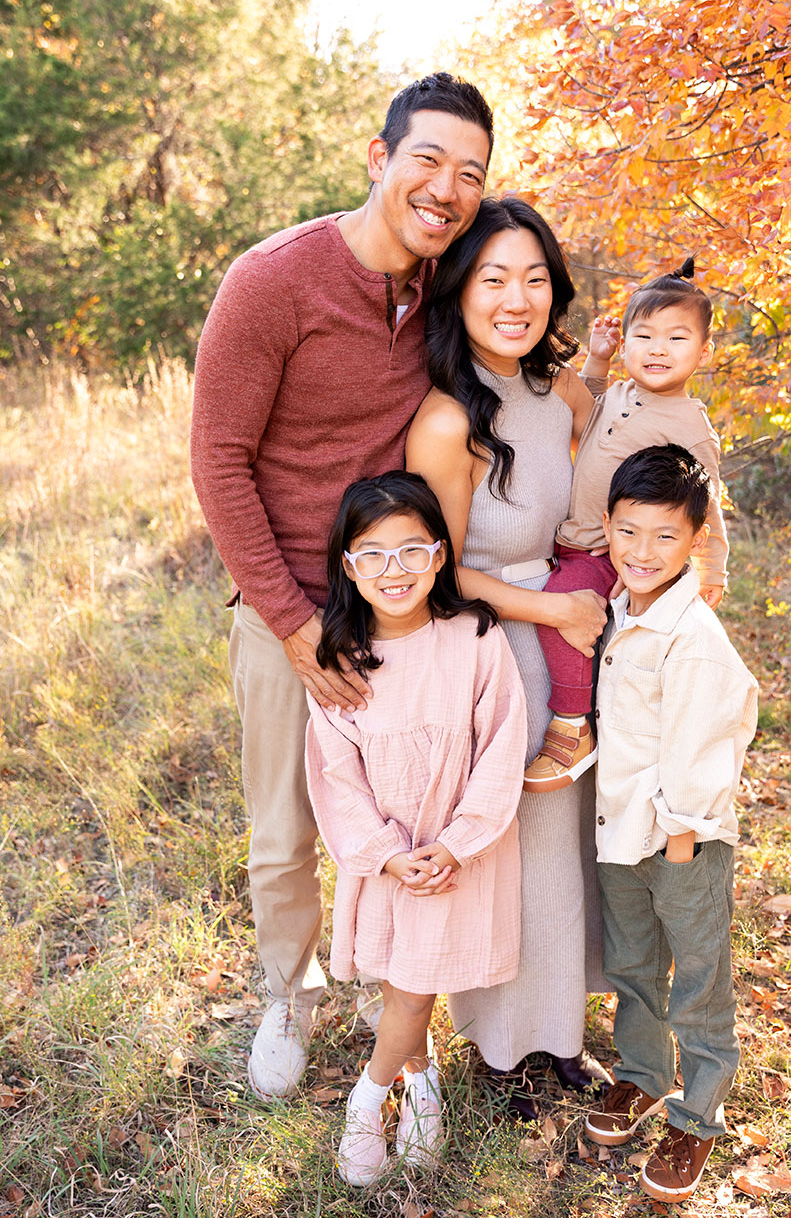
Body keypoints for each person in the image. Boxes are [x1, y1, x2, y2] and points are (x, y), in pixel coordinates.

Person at [190, 73, 494, 1100]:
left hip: (402, 605)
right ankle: (289, 989)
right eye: (428, 160)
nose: (447, 188)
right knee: (286, 824)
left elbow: (523, 348)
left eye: (470, 174)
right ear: (378, 157)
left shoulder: (440, 289)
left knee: (403, 813)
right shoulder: (273, 279)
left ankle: (385, 986)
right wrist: (287, 622)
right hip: (285, 603)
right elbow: (217, 461)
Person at [406, 195, 611, 1115]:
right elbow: (441, 573)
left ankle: (559, 1033)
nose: (515, 297)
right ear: (459, 290)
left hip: (574, 625)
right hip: (497, 640)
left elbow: (604, 450)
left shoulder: (556, 390)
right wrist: (552, 612)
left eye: (534, 278)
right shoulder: (448, 420)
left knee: (570, 842)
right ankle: (497, 1044)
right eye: (493, 277)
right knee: (515, 844)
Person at [305, 471, 528, 1185]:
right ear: (347, 565)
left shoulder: (473, 639)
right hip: (391, 856)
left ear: (438, 556)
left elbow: (501, 746)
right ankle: (421, 1083)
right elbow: (335, 775)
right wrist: (383, 855)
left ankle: (366, 1103)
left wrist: (456, 842)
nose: (391, 570)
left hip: (455, 852)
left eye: (410, 551)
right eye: (371, 554)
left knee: (411, 989)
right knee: (405, 977)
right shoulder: (340, 663)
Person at [583, 444, 758, 1203]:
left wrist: (682, 843)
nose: (642, 552)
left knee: (696, 981)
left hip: (680, 842)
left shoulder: (693, 639)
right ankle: (643, 1076)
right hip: (619, 827)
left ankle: (697, 1113)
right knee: (631, 966)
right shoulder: (619, 609)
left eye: (664, 536)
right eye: (628, 532)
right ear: (607, 528)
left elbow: (702, 745)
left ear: (695, 541)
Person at [525, 259, 730, 792]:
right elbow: (584, 412)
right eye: (643, 336)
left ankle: (572, 726)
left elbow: (707, 498)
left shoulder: (689, 421)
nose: (657, 349)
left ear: (704, 353)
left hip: (606, 552)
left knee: (565, 611)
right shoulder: (616, 392)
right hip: (572, 535)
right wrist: (595, 358)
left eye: (676, 338)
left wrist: (713, 569)